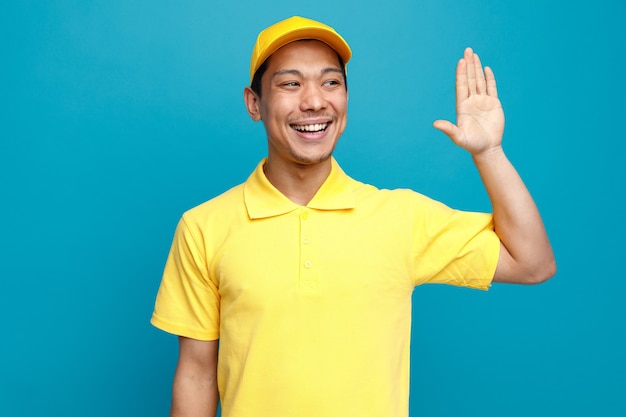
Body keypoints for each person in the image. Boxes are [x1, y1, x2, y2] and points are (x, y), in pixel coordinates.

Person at [151, 15, 556, 417]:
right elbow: (197, 373)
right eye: (291, 83)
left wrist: (488, 153)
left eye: (331, 82)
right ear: (254, 103)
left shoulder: (400, 217)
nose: (314, 101)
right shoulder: (204, 226)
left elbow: (532, 262)